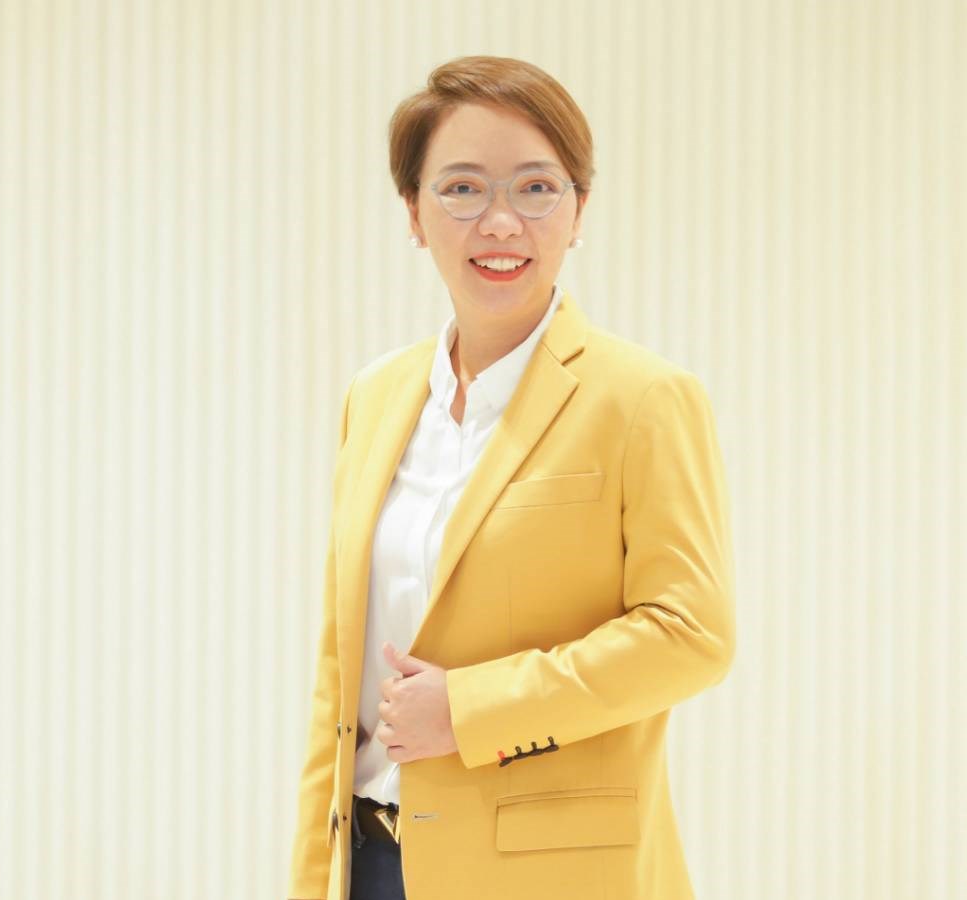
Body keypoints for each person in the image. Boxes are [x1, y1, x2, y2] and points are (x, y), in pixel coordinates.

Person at [286, 55, 736, 900]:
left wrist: (470, 709)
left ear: (578, 210)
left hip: (551, 873)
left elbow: (690, 636)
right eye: (462, 188)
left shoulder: (643, 398)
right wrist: (315, 877)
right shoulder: (375, 397)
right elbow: (339, 673)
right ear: (414, 212)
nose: (500, 222)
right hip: (371, 861)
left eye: (536, 189)